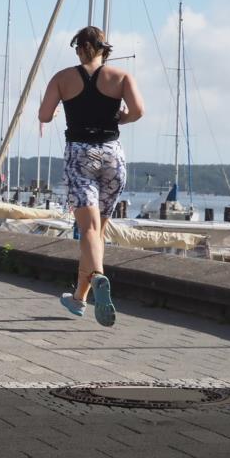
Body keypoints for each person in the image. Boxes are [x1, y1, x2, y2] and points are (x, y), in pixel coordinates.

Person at [38, 26, 144, 326]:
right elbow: (138, 111)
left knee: (87, 231)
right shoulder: (122, 78)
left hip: (80, 154)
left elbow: (44, 115)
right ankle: (79, 299)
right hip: (113, 155)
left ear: (78, 48)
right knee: (97, 232)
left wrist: (56, 114)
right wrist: (121, 117)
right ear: (104, 49)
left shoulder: (62, 78)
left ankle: (97, 277)